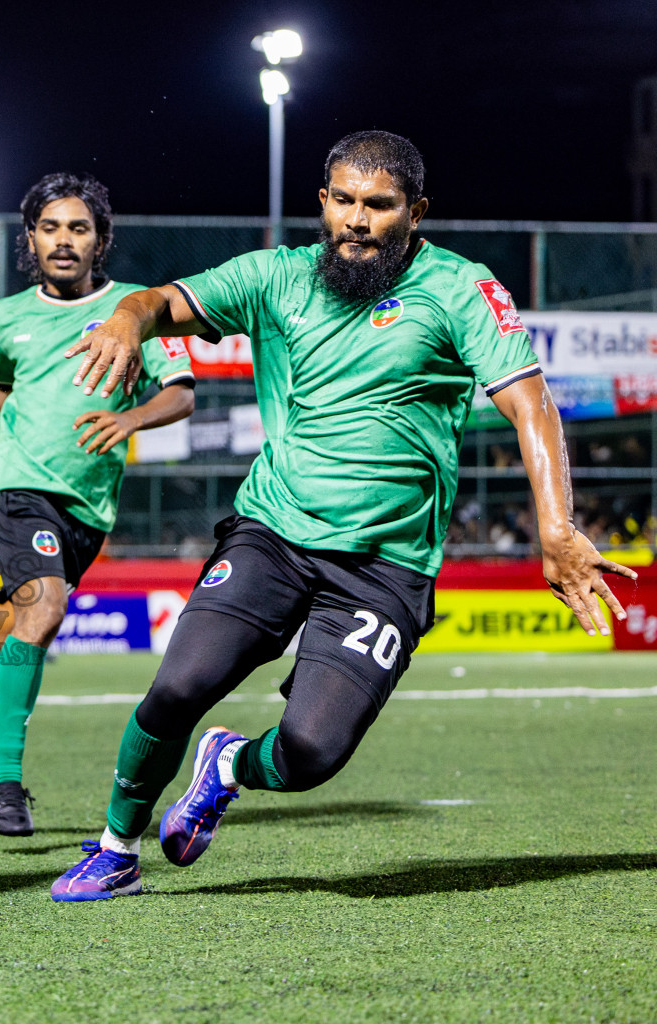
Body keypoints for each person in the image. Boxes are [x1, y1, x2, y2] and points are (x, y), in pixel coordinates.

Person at [50, 131, 636, 900]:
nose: (359, 220)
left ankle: (228, 763)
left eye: (380, 206)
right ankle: (116, 847)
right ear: (323, 202)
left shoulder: (461, 288)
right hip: (273, 534)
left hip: (386, 567)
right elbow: (161, 301)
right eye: (346, 201)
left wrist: (556, 528)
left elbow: (531, 404)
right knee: (179, 686)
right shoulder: (274, 277)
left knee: (312, 753)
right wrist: (130, 318)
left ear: (415, 212)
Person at [0, 173, 195, 835]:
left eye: (79, 228)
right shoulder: (12, 314)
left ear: (101, 239)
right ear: (31, 240)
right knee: (43, 610)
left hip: (87, 510)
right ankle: (5, 784)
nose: (64, 240)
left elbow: (181, 394)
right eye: (50, 228)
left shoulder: (135, 312)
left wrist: (132, 422)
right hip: (17, 489)